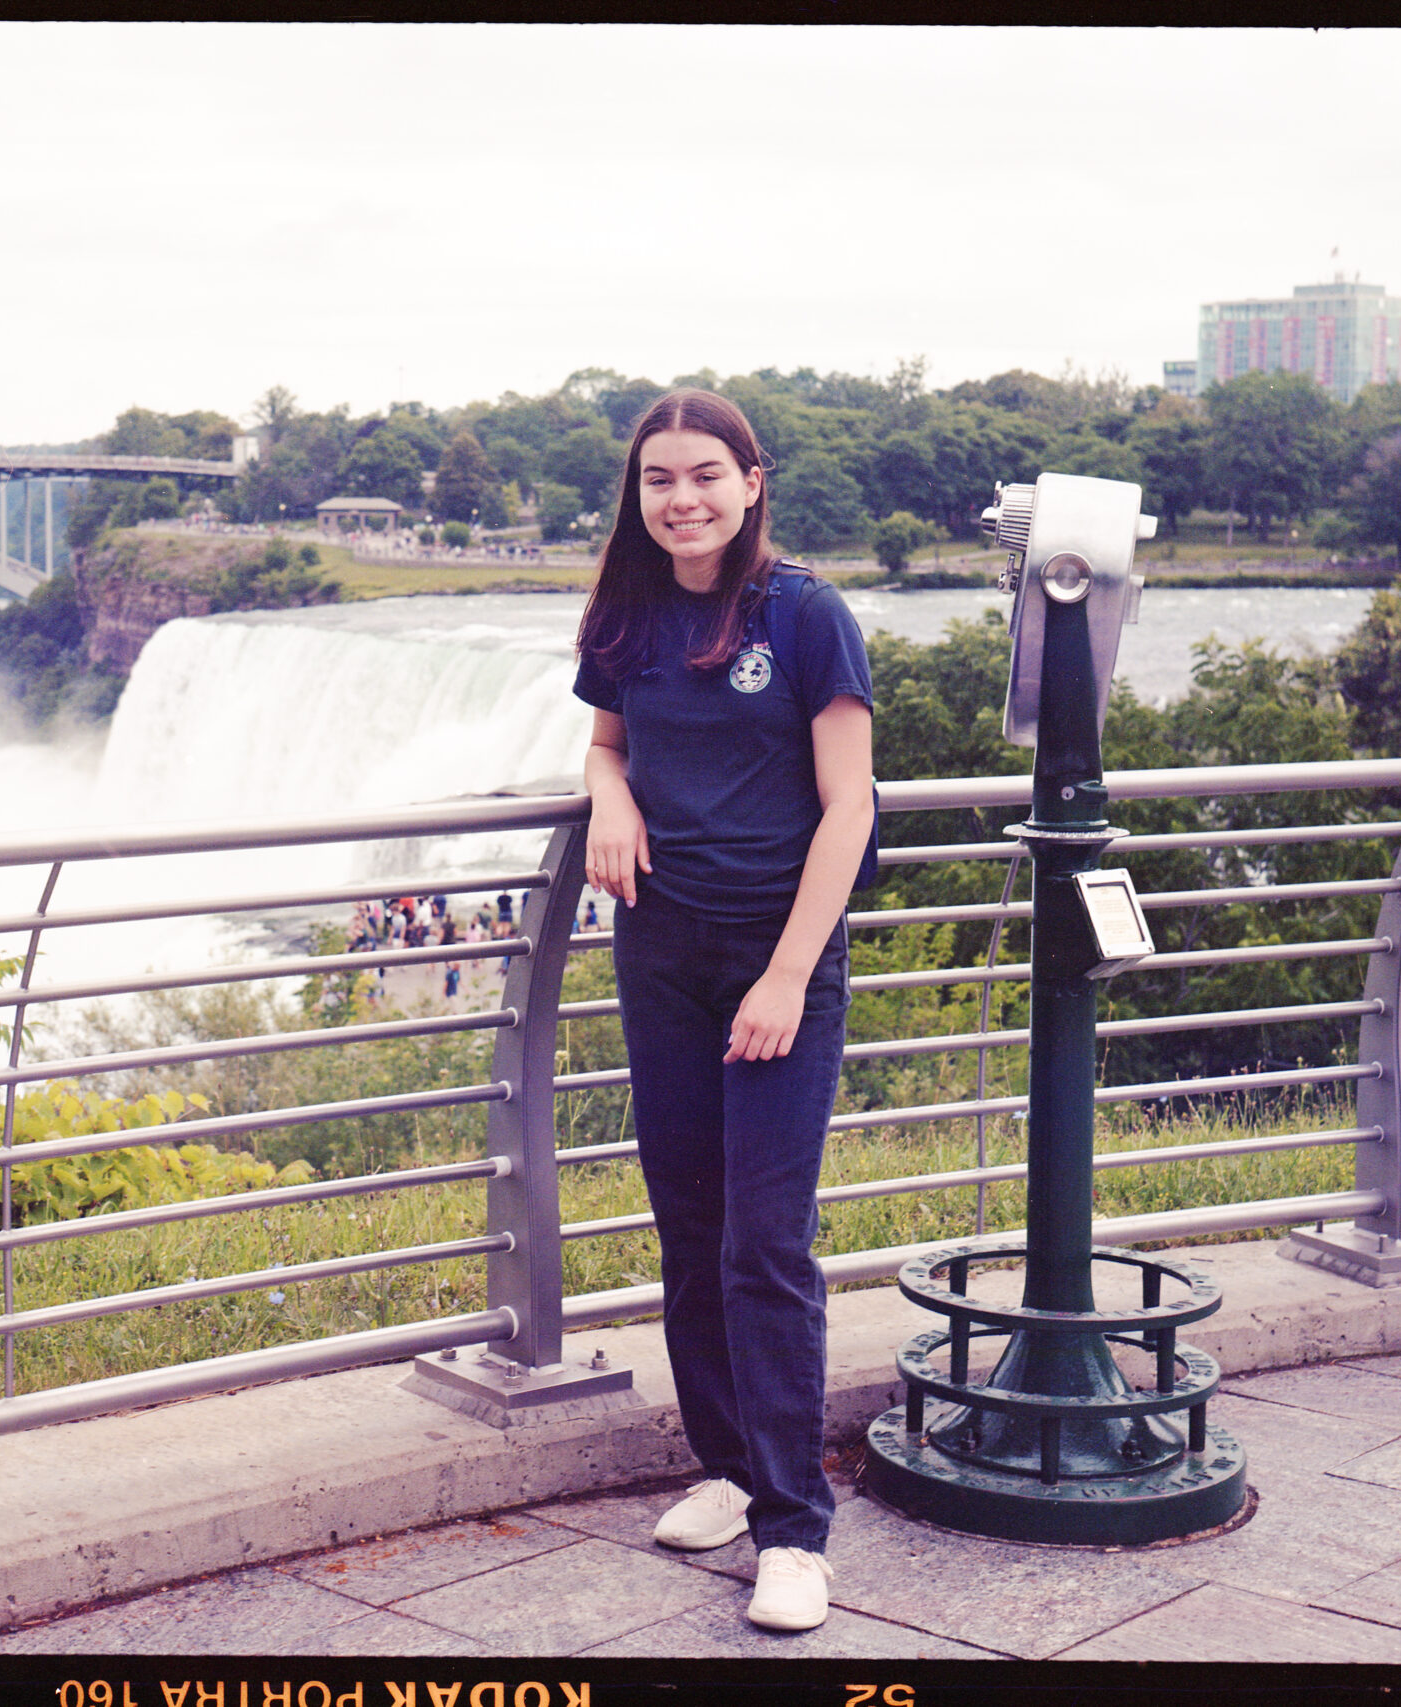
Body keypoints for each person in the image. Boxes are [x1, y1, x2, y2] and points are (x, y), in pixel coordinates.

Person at [572, 387, 874, 1633]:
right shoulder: (628, 613)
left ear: (752, 482)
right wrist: (609, 796)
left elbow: (850, 805)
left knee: (764, 1245)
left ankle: (794, 1531)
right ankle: (731, 1470)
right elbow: (606, 743)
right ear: (636, 494)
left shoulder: (803, 615)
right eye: (659, 479)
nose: (681, 499)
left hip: (775, 958)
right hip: (661, 954)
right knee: (689, 1225)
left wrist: (788, 975)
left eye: (705, 475)